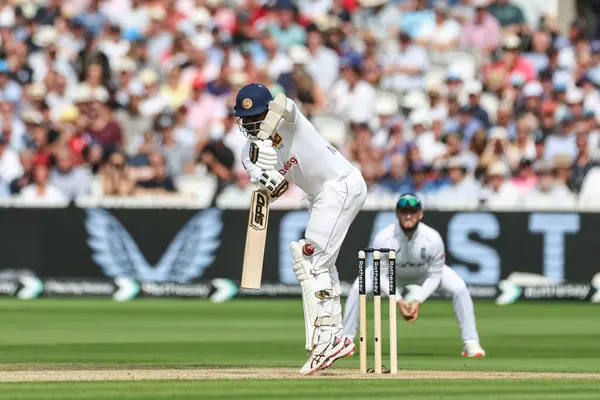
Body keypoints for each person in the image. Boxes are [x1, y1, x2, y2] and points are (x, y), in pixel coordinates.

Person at [235, 83, 367, 375]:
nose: (250, 124)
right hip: (320, 196)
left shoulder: (288, 119)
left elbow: (283, 101)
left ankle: (327, 340)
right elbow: (273, 189)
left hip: (340, 183)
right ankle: (333, 335)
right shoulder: (249, 153)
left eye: (255, 117)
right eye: (245, 120)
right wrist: (267, 180)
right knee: (318, 262)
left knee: (311, 261)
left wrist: (267, 137)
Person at [342, 193, 486, 357]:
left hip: (424, 273)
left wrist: (418, 300)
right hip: (391, 274)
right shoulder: (384, 238)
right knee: (357, 288)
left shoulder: (432, 238)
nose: (408, 215)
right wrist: (398, 300)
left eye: (412, 211)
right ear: (397, 214)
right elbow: (380, 275)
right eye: (404, 211)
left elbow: (435, 275)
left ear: (420, 214)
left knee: (460, 289)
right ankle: (346, 341)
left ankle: (471, 343)